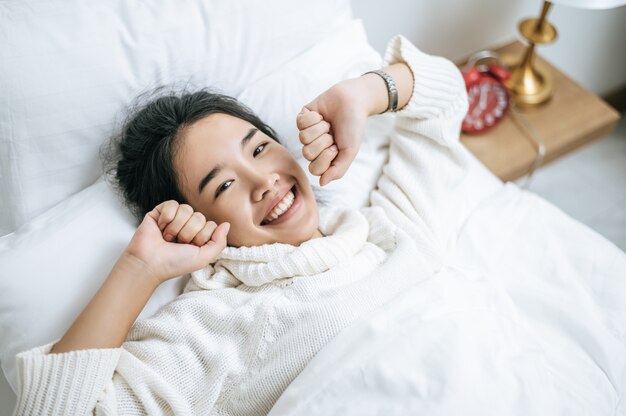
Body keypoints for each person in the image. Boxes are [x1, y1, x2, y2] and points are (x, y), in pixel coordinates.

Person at [13, 34, 475, 415]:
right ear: (194, 221)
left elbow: (444, 100)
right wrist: (139, 269)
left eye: (258, 149)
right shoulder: (216, 324)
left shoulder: (389, 230)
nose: (264, 180)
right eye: (223, 185)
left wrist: (365, 92)